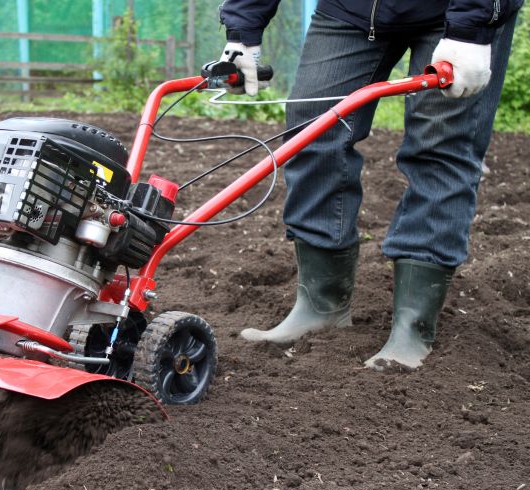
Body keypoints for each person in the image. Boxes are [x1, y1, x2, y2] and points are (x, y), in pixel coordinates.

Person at [219, 0, 523, 370]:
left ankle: (413, 325)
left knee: (440, 145)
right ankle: (320, 305)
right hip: (352, 9)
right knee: (313, 128)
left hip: (456, 12)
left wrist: (474, 25)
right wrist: (243, 30)